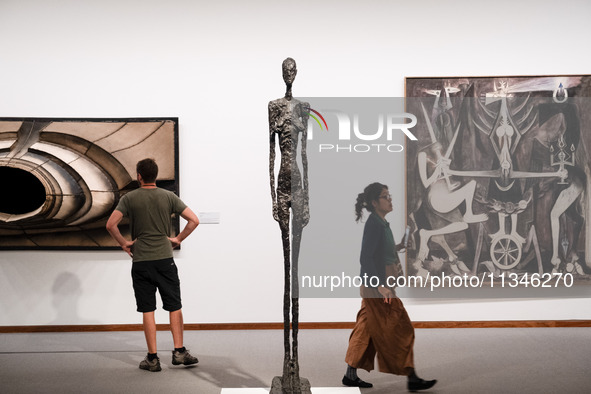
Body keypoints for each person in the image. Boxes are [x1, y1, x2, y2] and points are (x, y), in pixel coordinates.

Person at [106, 158, 200, 372]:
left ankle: (152, 358)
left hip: (141, 262)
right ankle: (179, 352)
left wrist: (124, 244)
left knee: (148, 309)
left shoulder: (129, 198)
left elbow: (110, 225)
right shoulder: (169, 196)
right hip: (164, 260)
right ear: (155, 176)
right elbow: (194, 220)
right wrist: (178, 239)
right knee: (174, 305)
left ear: (139, 176)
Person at [343, 182, 437, 392]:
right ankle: (411, 377)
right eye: (386, 196)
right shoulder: (374, 224)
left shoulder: (381, 223)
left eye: (389, 195)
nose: (390, 199)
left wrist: (399, 246)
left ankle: (350, 375)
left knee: (366, 329)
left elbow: (380, 252)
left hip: (378, 285)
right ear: (375, 202)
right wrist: (381, 287)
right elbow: (365, 258)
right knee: (402, 328)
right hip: (377, 286)